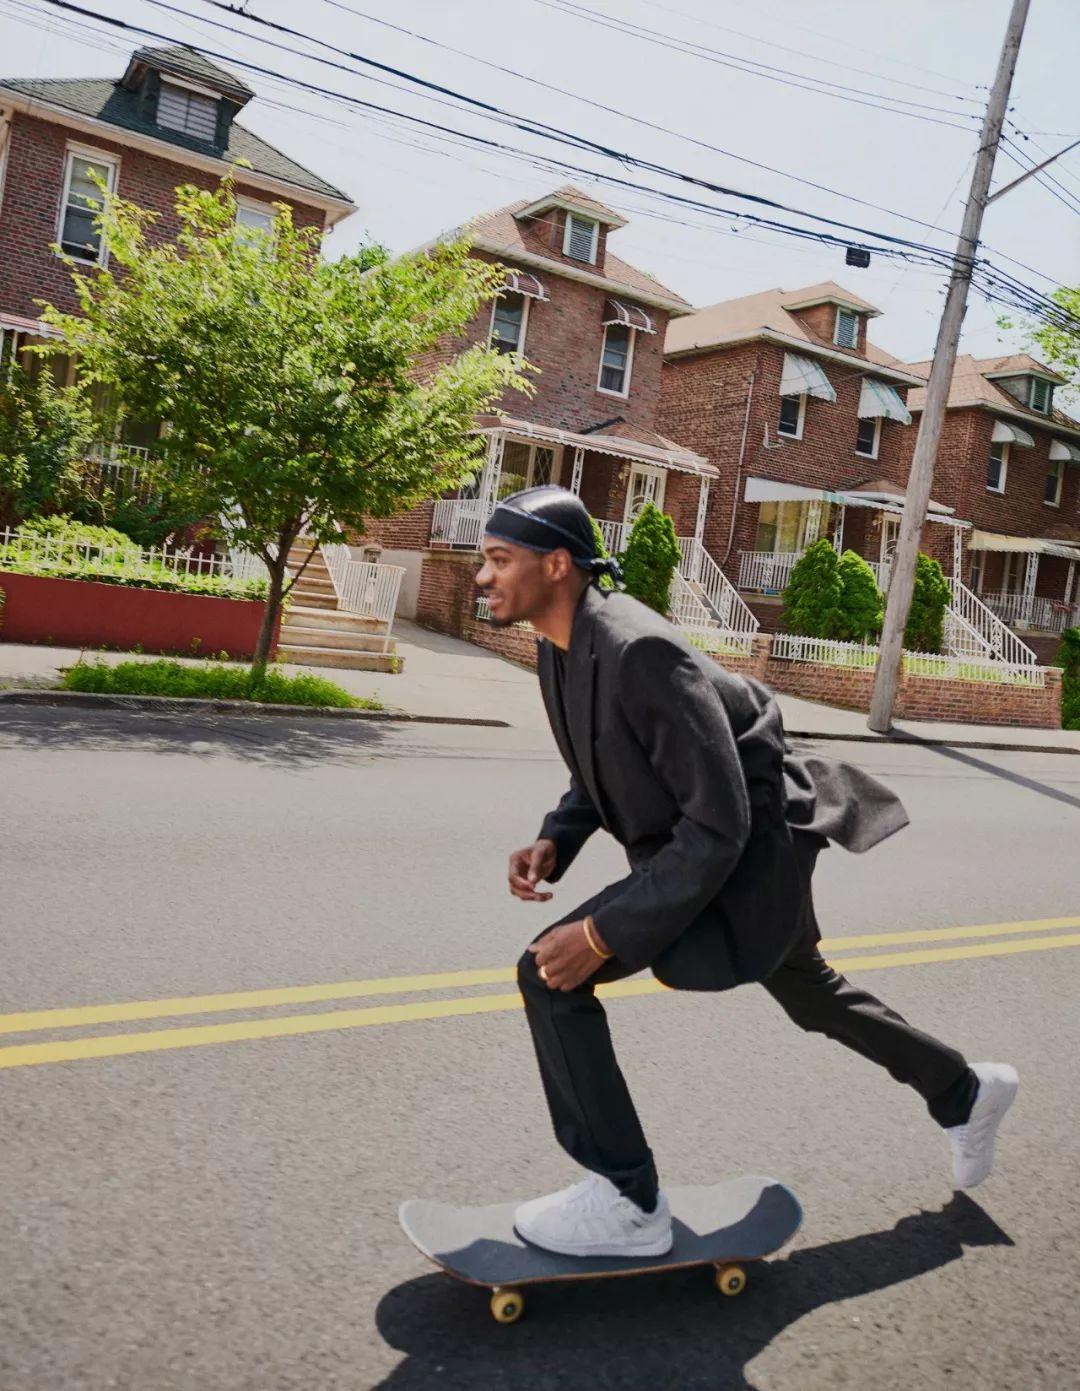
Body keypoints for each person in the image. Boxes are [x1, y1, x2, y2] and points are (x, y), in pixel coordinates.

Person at [476, 484, 1018, 1260]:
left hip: (748, 850)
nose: (483, 575)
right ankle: (966, 1091)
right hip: (716, 845)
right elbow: (607, 760)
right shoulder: (560, 646)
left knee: (551, 972)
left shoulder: (639, 652)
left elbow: (720, 821)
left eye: (500, 559)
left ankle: (628, 1199)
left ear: (557, 564)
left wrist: (601, 931)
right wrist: (556, 838)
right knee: (810, 991)